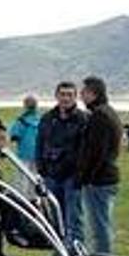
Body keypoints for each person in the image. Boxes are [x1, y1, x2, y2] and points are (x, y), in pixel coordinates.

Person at [36, 82, 87, 246]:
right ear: (56, 96)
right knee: (56, 217)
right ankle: (60, 253)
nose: (65, 98)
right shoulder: (48, 118)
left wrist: (80, 172)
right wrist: (41, 168)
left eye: (69, 95)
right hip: (51, 174)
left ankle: (76, 254)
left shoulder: (83, 119)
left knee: (74, 217)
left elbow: (86, 149)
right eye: (62, 94)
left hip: (72, 176)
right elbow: (40, 143)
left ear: (75, 97)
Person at [78, 76, 121, 254]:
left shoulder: (100, 116)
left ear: (93, 94)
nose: (81, 96)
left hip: (100, 179)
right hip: (106, 175)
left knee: (99, 225)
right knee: (101, 222)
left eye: (84, 92)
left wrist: (86, 177)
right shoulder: (108, 112)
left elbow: (96, 152)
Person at [7, 94, 41, 195]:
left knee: (23, 177)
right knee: (35, 177)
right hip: (37, 154)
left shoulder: (21, 121)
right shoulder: (40, 120)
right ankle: (35, 198)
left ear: (25, 105)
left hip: (24, 153)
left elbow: (13, 135)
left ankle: (24, 198)